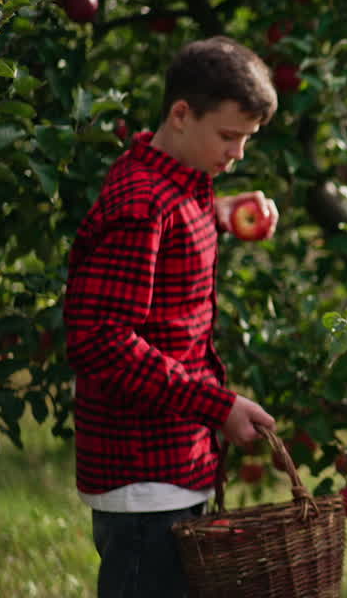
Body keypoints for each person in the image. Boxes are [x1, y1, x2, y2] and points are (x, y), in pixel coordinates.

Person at [64, 36, 281, 598]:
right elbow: (101, 341)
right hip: (145, 471)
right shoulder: (143, 205)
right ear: (181, 114)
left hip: (173, 460)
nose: (237, 155)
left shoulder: (173, 184)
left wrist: (221, 212)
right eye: (229, 136)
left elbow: (171, 222)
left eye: (247, 140)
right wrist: (219, 406)